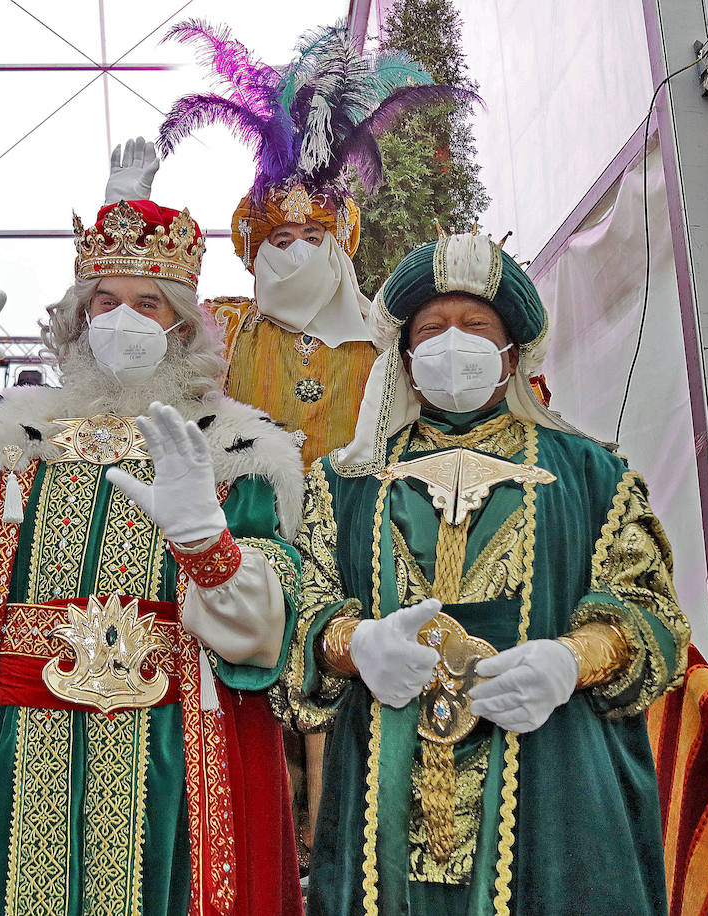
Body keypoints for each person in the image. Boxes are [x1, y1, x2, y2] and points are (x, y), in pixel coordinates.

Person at [0, 197, 305, 915]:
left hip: (173, 743)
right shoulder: (6, 440)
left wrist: (206, 547)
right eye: (106, 301)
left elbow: (264, 629)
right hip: (19, 741)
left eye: (148, 303)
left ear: (181, 323)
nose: (125, 320)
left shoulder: (235, 450)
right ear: (79, 318)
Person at [274, 229, 691, 914]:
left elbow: (649, 608)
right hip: (384, 784)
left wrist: (570, 659)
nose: (452, 343)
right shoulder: (343, 481)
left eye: (475, 326)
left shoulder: (591, 472)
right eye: (432, 329)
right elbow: (303, 609)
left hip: (553, 783)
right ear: (405, 356)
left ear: (512, 354)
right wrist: (355, 646)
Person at [149, 19, 474, 868]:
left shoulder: (388, 343)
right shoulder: (218, 330)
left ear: (343, 243)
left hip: (362, 573)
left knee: (353, 766)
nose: (292, 257)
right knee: (248, 760)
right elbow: (136, 337)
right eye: (276, 243)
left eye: (310, 241)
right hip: (239, 571)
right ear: (251, 248)